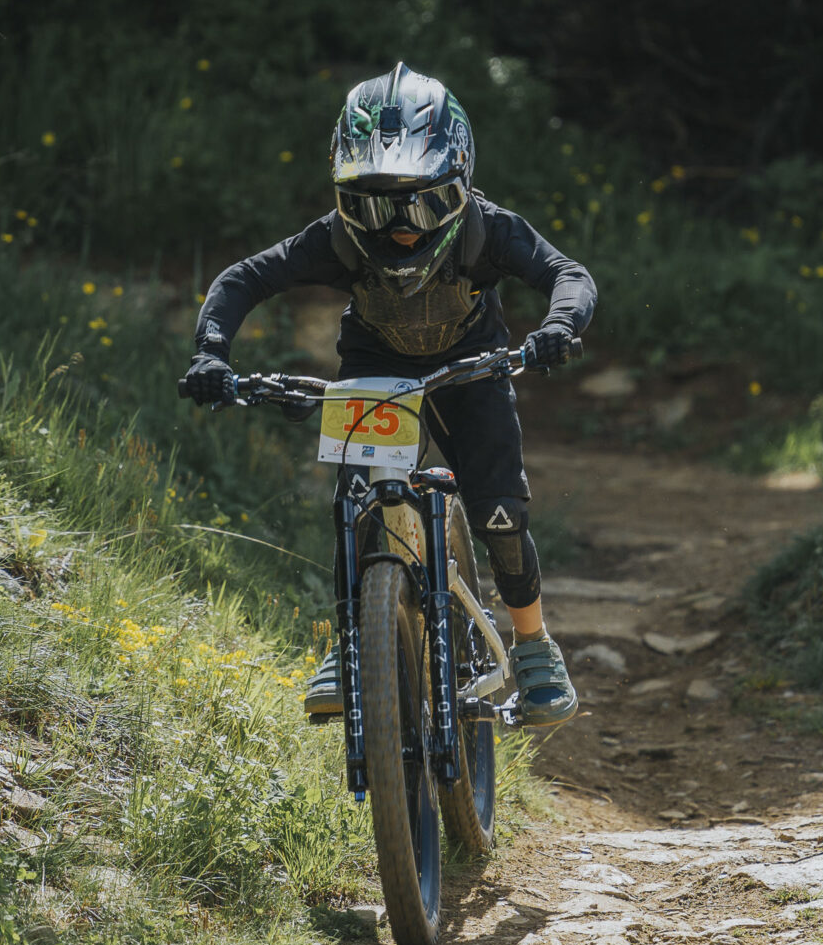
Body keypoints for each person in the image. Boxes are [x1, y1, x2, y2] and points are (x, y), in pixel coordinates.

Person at [182, 64, 595, 727]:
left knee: (498, 513)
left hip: (472, 363)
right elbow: (240, 280)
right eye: (377, 206)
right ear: (347, 200)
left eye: (424, 203)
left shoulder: (489, 230)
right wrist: (210, 352)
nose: (402, 227)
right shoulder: (338, 240)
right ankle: (354, 646)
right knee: (355, 506)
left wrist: (558, 327)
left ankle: (534, 643)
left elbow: (566, 275)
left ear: (460, 188)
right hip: (373, 368)